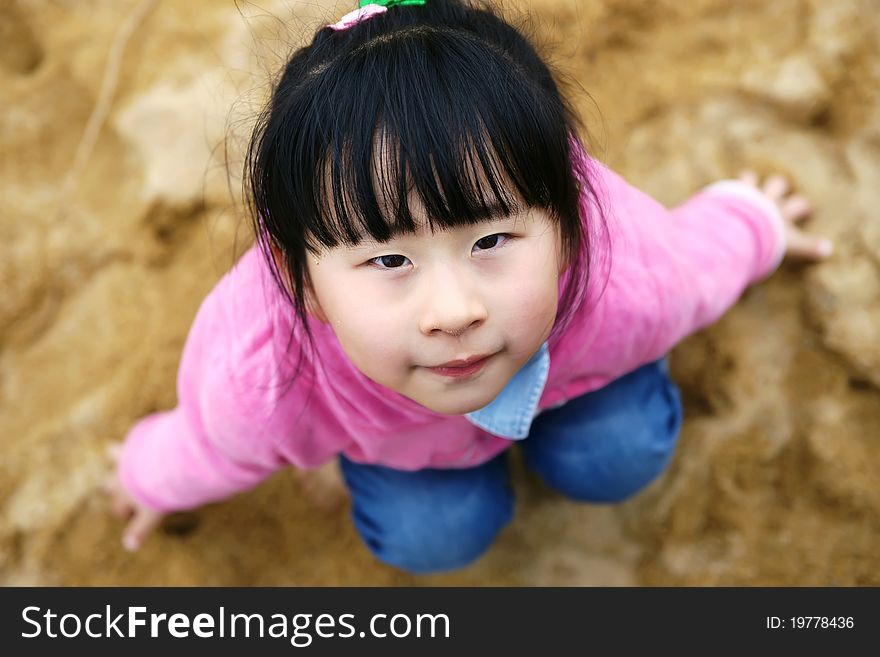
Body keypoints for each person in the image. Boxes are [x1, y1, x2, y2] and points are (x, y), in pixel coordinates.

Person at [104, 0, 833, 574]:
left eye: (490, 241)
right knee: (438, 535)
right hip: (399, 448)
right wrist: (149, 478)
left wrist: (756, 221)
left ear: (569, 226)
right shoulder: (267, 373)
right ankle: (368, 464)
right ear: (304, 282)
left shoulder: (625, 276)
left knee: (620, 453)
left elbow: (698, 264)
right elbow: (212, 441)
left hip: (577, 378)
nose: (454, 312)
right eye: (389, 261)